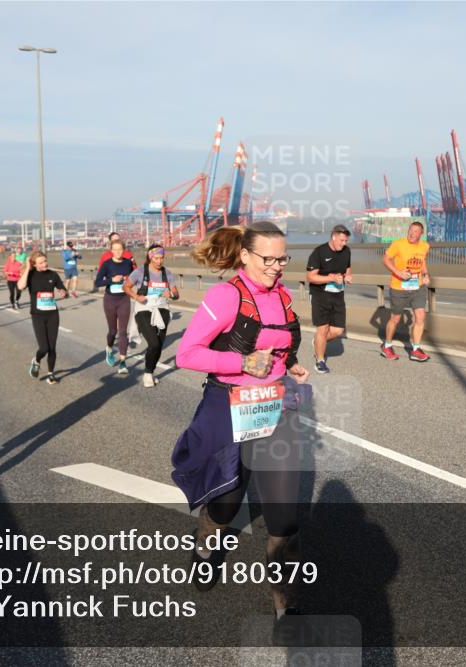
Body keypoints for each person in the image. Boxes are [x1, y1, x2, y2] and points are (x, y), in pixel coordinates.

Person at [172, 222, 310, 635]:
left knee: (284, 518)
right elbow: (186, 354)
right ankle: (205, 546)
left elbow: (277, 344)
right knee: (226, 506)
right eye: (268, 258)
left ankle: (286, 605)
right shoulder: (225, 296)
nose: (276, 266)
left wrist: (290, 364)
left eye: (282, 258)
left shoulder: (284, 295)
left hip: (276, 411)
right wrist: (242, 363)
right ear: (246, 256)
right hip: (230, 409)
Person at [124, 243, 180, 388]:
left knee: (159, 345)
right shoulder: (140, 272)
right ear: (150, 257)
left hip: (162, 309)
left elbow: (176, 294)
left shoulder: (167, 273)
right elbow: (126, 287)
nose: (159, 261)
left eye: (161, 258)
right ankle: (148, 373)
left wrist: (171, 294)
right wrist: (136, 297)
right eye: (156, 258)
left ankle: (150, 370)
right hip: (143, 308)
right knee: (153, 343)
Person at [305, 224, 352, 373]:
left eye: (345, 241)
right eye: (341, 240)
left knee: (338, 331)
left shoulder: (347, 251)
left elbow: (348, 267)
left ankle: (318, 341)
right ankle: (320, 361)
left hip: (338, 294)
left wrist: (348, 275)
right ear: (333, 237)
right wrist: (331, 278)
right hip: (320, 295)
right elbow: (310, 277)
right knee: (323, 328)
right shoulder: (319, 252)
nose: (343, 244)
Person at [381, 221, 431, 361]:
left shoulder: (425, 246)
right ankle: (387, 345)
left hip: (417, 286)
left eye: (416, 231)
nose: (412, 234)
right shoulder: (398, 244)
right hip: (399, 287)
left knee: (420, 316)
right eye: (410, 230)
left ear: (421, 234)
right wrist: (398, 272)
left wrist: (426, 274)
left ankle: (416, 349)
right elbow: (385, 259)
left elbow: (423, 261)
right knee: (396, 318)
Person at [17, 251, 66, 385]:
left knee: (52, 348)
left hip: (52, 314)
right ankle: (37, 360)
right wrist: (27, 268)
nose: (45, 264)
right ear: (35, 264)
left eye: (45, 261)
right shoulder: (30, 275)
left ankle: (50, 374)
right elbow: (20, 286)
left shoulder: (52, 274)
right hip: (38, 315)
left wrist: (63, 291)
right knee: (43, 348)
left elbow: (61, 288)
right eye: (41, 262)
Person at [94, 240, 134, 375]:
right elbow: (97, 282)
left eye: (120, 249)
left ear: (124, 250)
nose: (118, 252)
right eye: (115, 249)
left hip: (124, 299)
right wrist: (112, 280)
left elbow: (134, 278)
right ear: (111, 251)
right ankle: (109, 348)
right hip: (110, 300)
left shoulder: (128, 263)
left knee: (123, 332)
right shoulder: (107, 264)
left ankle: (122, 362)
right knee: (113, 331)